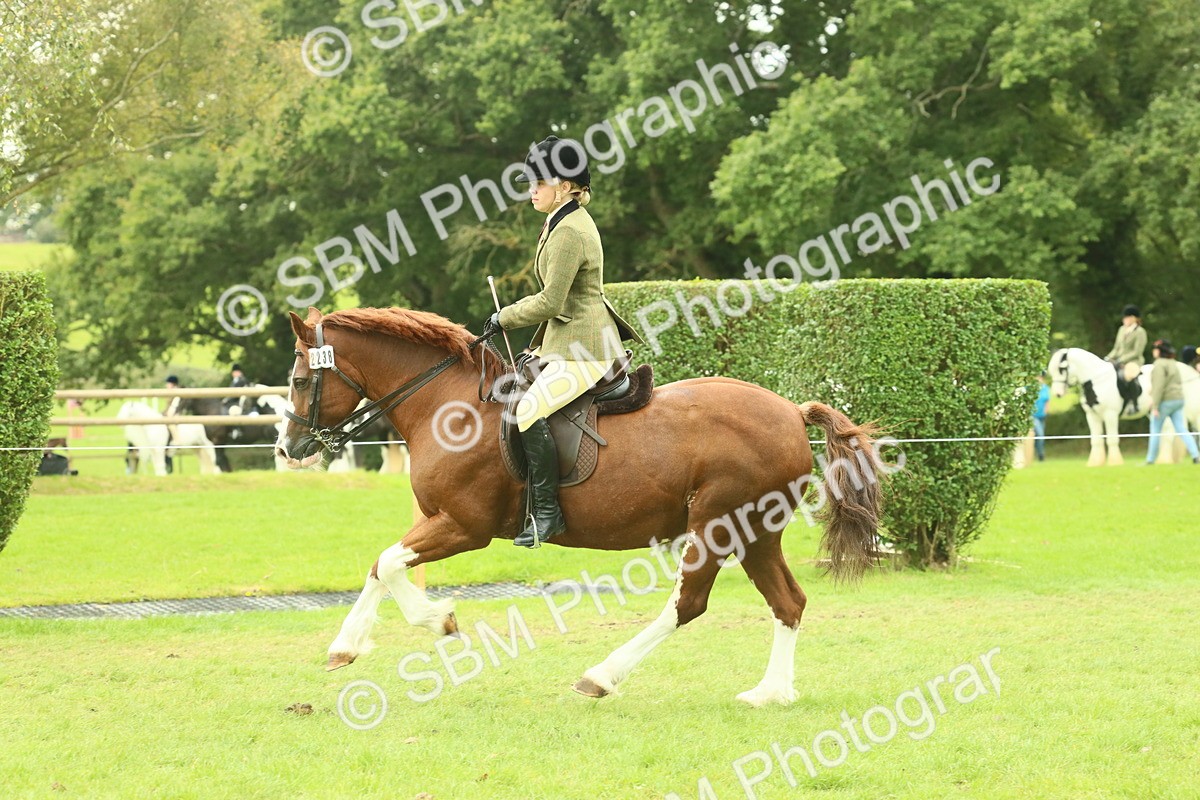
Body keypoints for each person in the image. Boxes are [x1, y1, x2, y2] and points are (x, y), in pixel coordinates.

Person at [481, 135, 644, 548]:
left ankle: (548, 515)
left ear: (568, 186)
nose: (531, 189)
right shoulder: (559, 221)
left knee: (528, 411)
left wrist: (504, 316)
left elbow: (552, 300)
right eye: (530, 181)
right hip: (567, 341)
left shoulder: (570, 230)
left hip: (585, 350)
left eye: (539, 181)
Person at [1145, 339, 1200, 465]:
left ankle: (1150, 460)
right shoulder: (1173, 363)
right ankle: (1196, 455)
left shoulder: (1159, 365)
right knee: (1182, 429)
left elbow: (1158, 387)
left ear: (1159, 351)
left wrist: (1155, 405)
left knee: (1155, 429)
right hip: (1178, 400)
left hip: (1166, 401)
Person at [1032, 372, 1050, 462]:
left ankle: (1039, 453)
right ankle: (1041, 455)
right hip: (1033, 416)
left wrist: (1046, 411)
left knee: (1040, 437)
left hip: (1042, 416)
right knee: (1040, 434)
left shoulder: (1046, 388)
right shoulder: (1030, 388)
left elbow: (1047, 401)